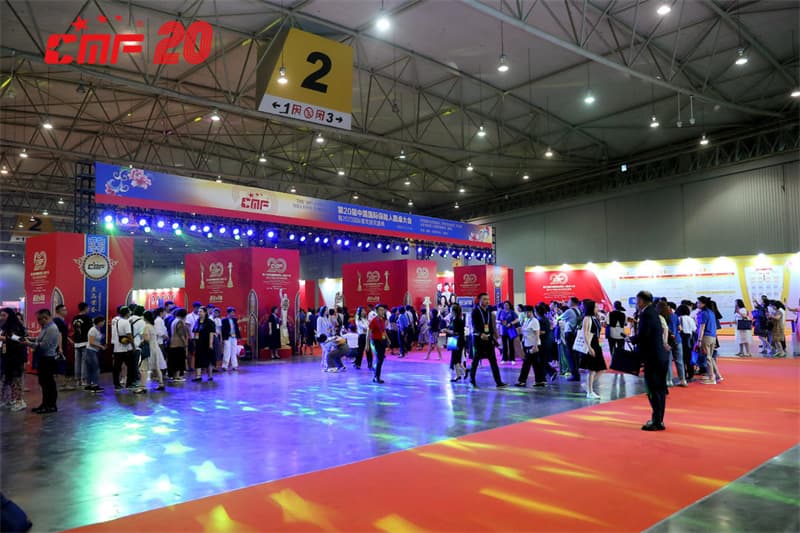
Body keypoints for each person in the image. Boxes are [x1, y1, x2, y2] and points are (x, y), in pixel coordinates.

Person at [631, 291, 669, 431]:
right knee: (659, 390)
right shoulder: (654, 312)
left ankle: (656, 421)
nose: (636, 304)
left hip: (653, 358)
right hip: (660, 356)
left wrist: (631, 339)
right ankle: (658, 419)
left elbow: (644, 335)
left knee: (653, 390)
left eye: (637, 301)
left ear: (641, 301)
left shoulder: (646, 314)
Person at [469, 293, 507, 388]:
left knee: (493, 360)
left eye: (488, 299)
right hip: (478, 339)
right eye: (485, 299)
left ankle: (498, 382)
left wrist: (494, 337)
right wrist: (481, 334)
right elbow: (474, 325)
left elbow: (490, 326)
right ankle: (472, 380)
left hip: (488, 339)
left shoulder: (489, 311)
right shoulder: (475, 311)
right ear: (479, 300)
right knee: (476, 360)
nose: (487, 301)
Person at [26, 309, 60, 413]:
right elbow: (39, 340)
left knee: (48, 383)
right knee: (43, 383)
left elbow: (44, 346)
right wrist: (29, 339)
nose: (38, 322)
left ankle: (51, 405)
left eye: (39, 319)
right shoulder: (46, 328)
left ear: (45, 318)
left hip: (48, 359)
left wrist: (28, 343)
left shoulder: (52, 328)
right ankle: (45, 404)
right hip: (43, 358)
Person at [1, 308, 28, 411]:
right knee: (9, 379)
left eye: (4, 315)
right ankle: (12, 399)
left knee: (17, 380)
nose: (2, 318)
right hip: (7, 357)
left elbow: (19, 340)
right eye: (1, 315)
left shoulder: (16, 327)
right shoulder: (5, 327)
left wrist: (4, 338)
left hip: (16, 357)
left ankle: (19, 401)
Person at [578, 299, 606, 399]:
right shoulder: (587, 318)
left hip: (596, 344)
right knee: (592, 369)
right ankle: (590, 392)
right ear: (591, 308)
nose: (598, 308)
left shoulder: (594, 317)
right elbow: (585, 333)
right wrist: (589, 348)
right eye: (596, 307)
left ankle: (588, 386)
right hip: (591, 344)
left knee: (601, 369)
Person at [695, 296, 722, 384]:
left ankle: (711, 378)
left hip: (706, 337)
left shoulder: (703, 313)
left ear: (703, 304)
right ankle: (717, 375)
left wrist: (699, 340)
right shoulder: (711, 312)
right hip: (713, 336)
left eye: (698, 302)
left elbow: (702, 328)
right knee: (710, 357)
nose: (697, 304)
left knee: (708, 358)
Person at [515, 306, 543, 387]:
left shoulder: (535, 321)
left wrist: (535, 346)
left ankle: (522, 381)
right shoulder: (527, 320)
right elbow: (524, 331)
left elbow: (537, 334)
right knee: (535, 364)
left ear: (532, 312)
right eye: (525, 312)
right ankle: (539, 381)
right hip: (527, 344)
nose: (527, 313)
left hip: (533, 345)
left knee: (526, 364)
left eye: (528, 312)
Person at [111, 306, 138, 391]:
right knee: (131, 366)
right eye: (129, 312)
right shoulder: (126, 322)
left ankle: (116, 384)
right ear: (127, 313)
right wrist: (133, 346)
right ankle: (129, 383)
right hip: (125, 348)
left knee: (116, 367)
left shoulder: (116, 321)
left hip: (117, 348)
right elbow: (129, 335)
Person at [140, 311, 165, 391]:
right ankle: (161, 383)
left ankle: (142, 387)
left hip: (149, 349)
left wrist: (142, 340)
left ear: (145, 317)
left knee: (143, 368)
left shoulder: (146, 326)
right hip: (156, 348)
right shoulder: (152, 326)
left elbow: (147, 339)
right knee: (157, 367)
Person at [559, 297, 583, 381]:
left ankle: (574, 375)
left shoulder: (569, 311)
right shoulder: (579, 310)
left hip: (569, 334)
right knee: (576, 354)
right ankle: (577, 374)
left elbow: (559, 318)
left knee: (570, 355)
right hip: (576, 333)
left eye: (568, 301)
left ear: (572, 302)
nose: (567, 302)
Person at [71, 302, 92, 388]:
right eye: (88, 308)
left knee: (77, 362)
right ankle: (84, 379)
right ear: (85, 308)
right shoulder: (87, 318)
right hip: (85, 342)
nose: (88, 309)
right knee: (84, 361)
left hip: (76, 342)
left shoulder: (74, 318)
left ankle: (77, 380)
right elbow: (90, 330)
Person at [192, 307, 216, 382]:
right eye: (199, 311)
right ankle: (198, 376)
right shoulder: (197, 321)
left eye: (201, 311)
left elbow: (211, 333)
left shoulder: (209, 322)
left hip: (207, 343)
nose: (199, 313)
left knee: (208, 359)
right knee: (198, 359)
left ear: (205, 312)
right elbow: (195, 332)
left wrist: (210, 344)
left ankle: (210, 376)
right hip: (199, 343)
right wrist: (195, 342)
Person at [444, 303, 466, 382]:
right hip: (460, 340)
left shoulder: (455, 320)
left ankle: (459, 375)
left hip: (456, 340)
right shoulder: (460, 319)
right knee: (457, 358)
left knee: (455, 359)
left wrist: (446, 330)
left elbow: (454, 332)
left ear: (454, 311)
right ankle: (462, 372)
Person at [52, 304, 72, 391]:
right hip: (59, 346)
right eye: (64, 310)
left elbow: (63, 334)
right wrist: (60, 348)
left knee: (62, 364)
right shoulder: (57, 321)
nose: (66, 311)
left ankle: (63, 383)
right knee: (61, 364)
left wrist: (69, 340)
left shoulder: (62, 321)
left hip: (62, 345)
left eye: (66, 309)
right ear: (58, 311)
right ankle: (63, 384)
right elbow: (59, 334)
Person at [84, 316, 106, 393]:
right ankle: (95, 385)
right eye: (103, 322)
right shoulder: (93, 330)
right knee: (95, 368)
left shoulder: (97, 330)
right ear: (99, 322)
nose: (103, 323)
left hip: (93, 351)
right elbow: (91, 342)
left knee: (90, 368)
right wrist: (101, 346)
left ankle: (89, 384)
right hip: (91, 351)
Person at [369, 304, 389, 384]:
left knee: (381, 359)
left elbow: (384, 331)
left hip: (382, 341)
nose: (382, 311)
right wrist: (367, 344)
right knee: (379, 359)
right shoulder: (374, 321)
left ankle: (376, 375)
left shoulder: (383, 320)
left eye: (383, 310)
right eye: (380, 310)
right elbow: (369, 333)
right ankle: (377, 377)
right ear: (376, 311)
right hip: (376, 341)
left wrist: (388, 339)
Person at [676, 304, 696, 382]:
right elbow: (694, 329)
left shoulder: (678, 318)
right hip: (689, 340)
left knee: (681, 358)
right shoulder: (690, 319)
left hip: (680, 340)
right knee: (689, 358)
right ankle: (691, 374)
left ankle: (683, 374)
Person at [168, 308, 189, 382]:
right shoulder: (180, 322)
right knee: (179, 360)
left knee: (174, 361)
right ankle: (178, 376)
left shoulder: (174, 321)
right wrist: (185, 343)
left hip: (172, 344)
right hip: (178, 344)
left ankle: (174, 376)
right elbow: (181, 334)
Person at [221, 307, 241, 371]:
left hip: (234, 337)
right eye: (232, 312)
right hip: (227, 337)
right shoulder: (224, 320)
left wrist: (238, 337)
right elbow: (223, 330)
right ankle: (225, 366)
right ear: (228, 313)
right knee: (227, 351)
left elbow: (237, 329)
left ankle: (234, 365)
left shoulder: (235, 320)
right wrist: (223, 338)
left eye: (234, 312)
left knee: (234, 351)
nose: (233, 314)